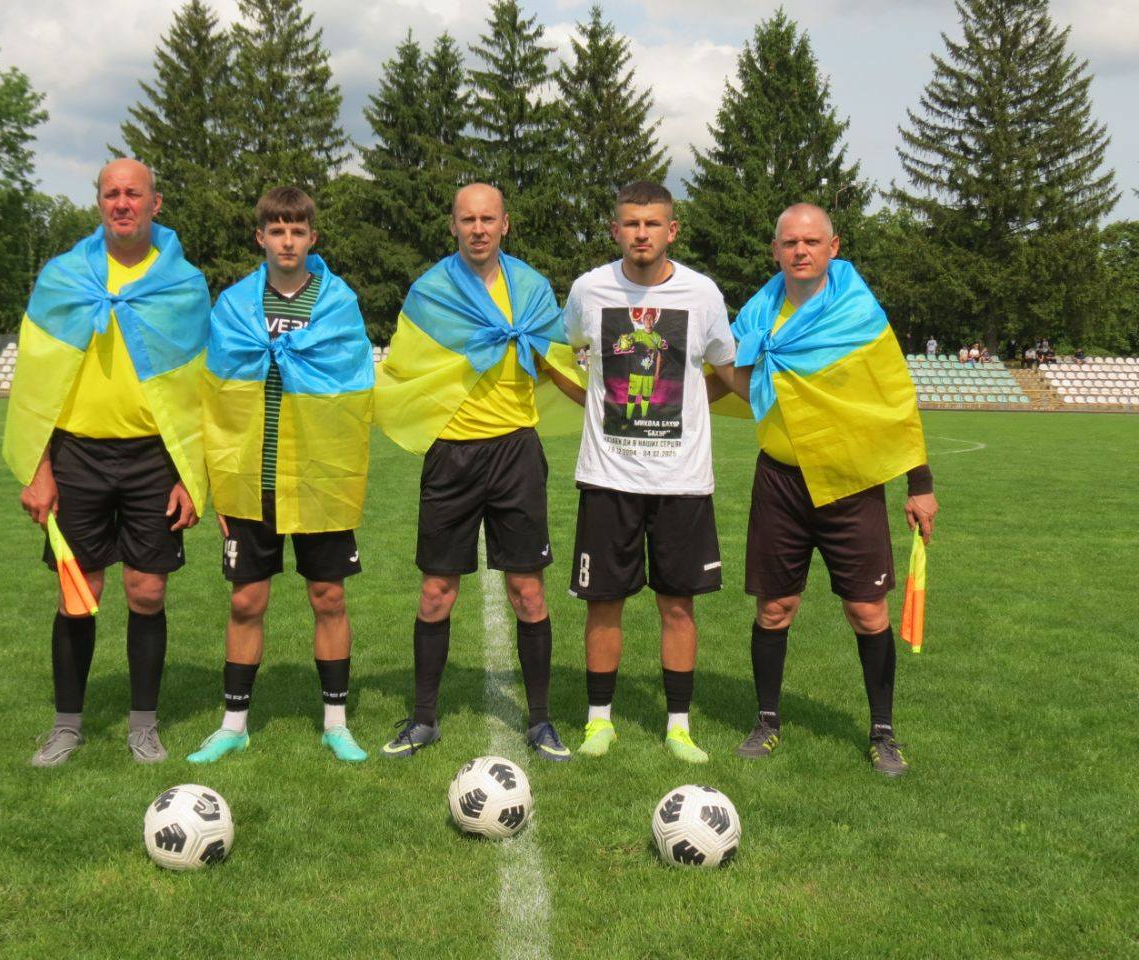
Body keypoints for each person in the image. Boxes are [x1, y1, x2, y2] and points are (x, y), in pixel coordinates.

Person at [3, 158, 209, 767]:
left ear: (155, 203)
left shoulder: (183, 284)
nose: (122, 203)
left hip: (153, 458)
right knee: (78, 593)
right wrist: (40, 468)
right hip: (76, 455)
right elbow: (35, 381)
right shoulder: (63, 277)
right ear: (99, 202)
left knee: (147, 591)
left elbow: (198, 388)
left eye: (133, 193)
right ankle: (66, 726)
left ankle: (144, 725)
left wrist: (188, 474)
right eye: (112, 193)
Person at [373, 183, 584, 761]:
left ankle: (540, 722)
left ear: (505, 224)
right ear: (453, 226)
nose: (478, 229)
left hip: (516, 452)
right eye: (467, 219)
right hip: (452, 453)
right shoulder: (431, 291)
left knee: (528, 591)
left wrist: (607, 406)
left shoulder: (532, 288)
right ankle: (423, 720)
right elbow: (406, 366)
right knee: (436, 592)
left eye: (488, 219)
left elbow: (558, 363)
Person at [731, 203, 939, 778]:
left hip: (851, 483)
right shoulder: (757, 314)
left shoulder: (860, 315)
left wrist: (920, 485)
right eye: (789, 242)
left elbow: (895, 399)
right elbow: (734, 371)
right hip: (780, 481)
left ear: (833, 247)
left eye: (811, 241)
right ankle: (766, 721)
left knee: (867, 612)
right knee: (775, 608)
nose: (800, 251)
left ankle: (883, 733)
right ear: (775, 250)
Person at [562, 181, 745, 763]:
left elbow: (726, 368)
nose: (641, 234)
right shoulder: (588, 289)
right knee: (603, 603)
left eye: (652, 223)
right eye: (631, 223)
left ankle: (678, 727)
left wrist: (693, 404)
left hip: (681, 481)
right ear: (615, 230)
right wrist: (592, 400)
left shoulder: (703, 293)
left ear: (673, 230)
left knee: (678, 606)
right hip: (607, 477)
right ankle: (599, 722)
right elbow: (568, 350)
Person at [191, 187, 374, 765]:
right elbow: (217, 396)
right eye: (277, 230)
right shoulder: (233, 306)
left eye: (297, 231)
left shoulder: (337, 302)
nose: (287, 241)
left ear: (312, 238)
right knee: (246, 601)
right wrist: (221, 482)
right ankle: (233, 725)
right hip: (252, 477)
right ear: (261, 237)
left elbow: (354, 388)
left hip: (319, 474)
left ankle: (336, 724)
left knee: (329, 597)